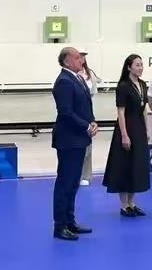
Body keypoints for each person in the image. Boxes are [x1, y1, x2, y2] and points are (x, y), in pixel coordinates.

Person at [51, 47, 98, 241]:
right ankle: (60, 226)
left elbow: (85, 106)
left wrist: (92, 122)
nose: (82, 60)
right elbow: (66, 112)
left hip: (78, 139)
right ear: (67, 61)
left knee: (73, 184)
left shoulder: (77, 78)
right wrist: (86, 126)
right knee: (65, 183)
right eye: (78, 58)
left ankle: (70, 221)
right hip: (69, 140)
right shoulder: (64, 81)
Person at [102, 54, 151, 216]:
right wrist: (124, 135)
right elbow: (121, 112)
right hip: (127, 127)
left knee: (136, 165)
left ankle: (132, 202)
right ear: (129, 67)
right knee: (124, 165)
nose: (140, 68)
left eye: (141, 65)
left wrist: (146, 130)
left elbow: (144, 109)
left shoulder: (143, 85)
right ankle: (124, 205)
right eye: (137, 65)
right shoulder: (123, 86)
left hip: (139, 128)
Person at [78, 49, 100, 186]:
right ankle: (75, 174)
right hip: (75, 111)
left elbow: (92, 93)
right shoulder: (71, 75)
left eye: (83, 56)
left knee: (87, 144)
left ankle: (86, 175)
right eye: (79, 56)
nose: (82, 59)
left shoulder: (89, 74)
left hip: (87, 110)